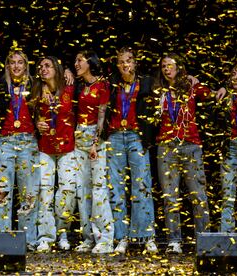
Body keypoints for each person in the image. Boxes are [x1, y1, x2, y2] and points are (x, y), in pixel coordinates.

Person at [153, 53, 211, 254]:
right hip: (167, 146)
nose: (166, 69)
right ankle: (174, 240)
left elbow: (209, 93)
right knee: (170, 196)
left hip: (190, 144)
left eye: (170, 65)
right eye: (163, 66)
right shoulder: (157, 89)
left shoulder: (191, 86)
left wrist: (196, 81)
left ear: (179, 67)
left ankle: (204, 241)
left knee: (199, 195)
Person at [104, 47, 157, 254]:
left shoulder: (146, 82)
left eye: (129, 60)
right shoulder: (112, 84)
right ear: (117, 65)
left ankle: (146, 235)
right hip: (115, 136)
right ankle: (121, 236)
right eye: (121, 61)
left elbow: (171, 79)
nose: (126, 64)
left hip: (136, 136)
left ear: (135, 63)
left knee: (141, 186)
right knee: (116, 189)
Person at [0, 49, 40, 251]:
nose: (17, 66)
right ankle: (1, 237)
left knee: (28, 192)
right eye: (13, 62)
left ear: (26, 65)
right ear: (8, 66)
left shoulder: (35, 85)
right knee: (2, 192)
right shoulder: (2, 86)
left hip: (28, 141)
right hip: (6, 141)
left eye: (21, 62)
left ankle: (27, 239)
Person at [32, 56, 76, 252]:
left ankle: (63, 232)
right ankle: (45, 236)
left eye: (47, 66)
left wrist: (68, 68)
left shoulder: (69, 88)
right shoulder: (35, 90)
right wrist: (37, 124)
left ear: (57, 69)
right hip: (45, 148)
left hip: (67, 147)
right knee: (45, 192)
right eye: (40, 66)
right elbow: (32, 116)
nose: (43, 69)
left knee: (67, 191)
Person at [72, 50, 114, 253]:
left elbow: (102, 115)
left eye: (80, 60)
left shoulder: (103, 84)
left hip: (95, 139)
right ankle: (89, 237)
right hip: (78, 136)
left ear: (90, 62)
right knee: (82, 190)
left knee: (98, 189)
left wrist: (96, 143)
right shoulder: (80, 86)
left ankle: (105, 238)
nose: (76, 63)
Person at [217, 61, 237, 233]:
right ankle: (227, 236)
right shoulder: (226, 98)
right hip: (231, 147)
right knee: (228, 193)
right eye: (234, 73)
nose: (236, 77)